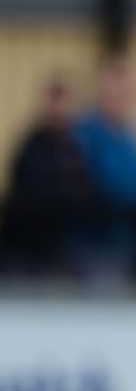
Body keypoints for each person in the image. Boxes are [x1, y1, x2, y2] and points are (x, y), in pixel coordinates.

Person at [70, 56, 136, 283]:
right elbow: (116, 186)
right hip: (96, 248)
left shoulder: (134, 135)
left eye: (129, 89)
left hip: (129, 244)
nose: (123, 96)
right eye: (117, 89)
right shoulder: (86, 134)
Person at [0, 75, 98, 280]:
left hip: (61, 248)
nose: (58, 108)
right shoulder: (31, 145)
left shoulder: (75, 148)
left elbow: (84, 193)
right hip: (26, 249)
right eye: (54, 100)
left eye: (63, 101)